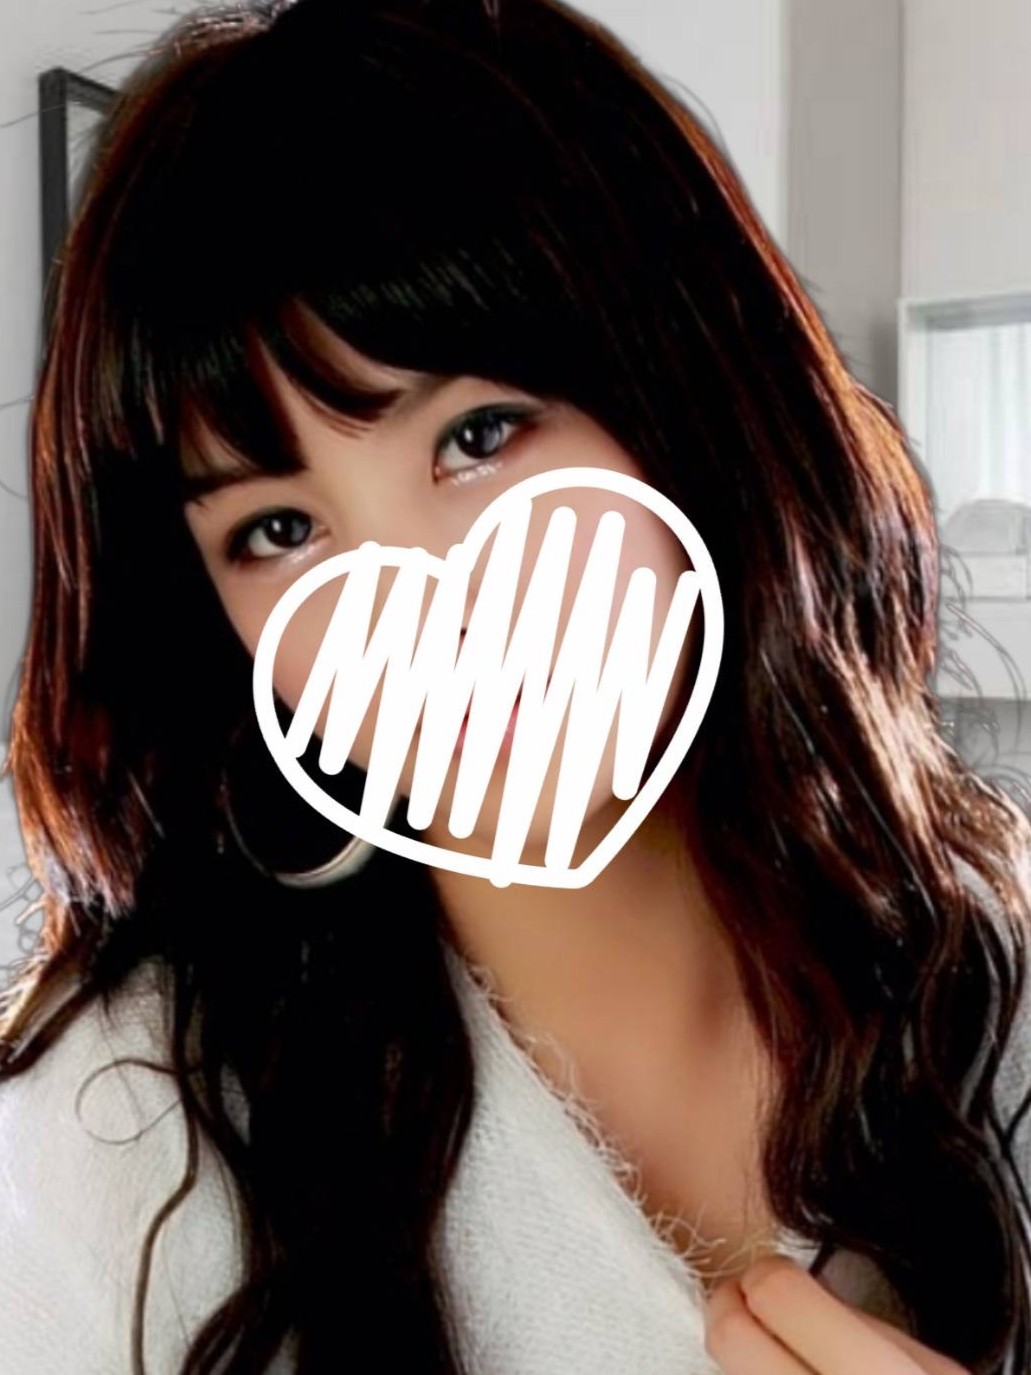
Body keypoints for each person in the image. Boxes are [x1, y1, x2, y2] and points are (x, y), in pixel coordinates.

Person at [1, 0, 1030, 1371]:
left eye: (479, 437)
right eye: (280, 530)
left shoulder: (995, 994)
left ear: (688, 400)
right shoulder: (118, 1149)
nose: (419, 603)